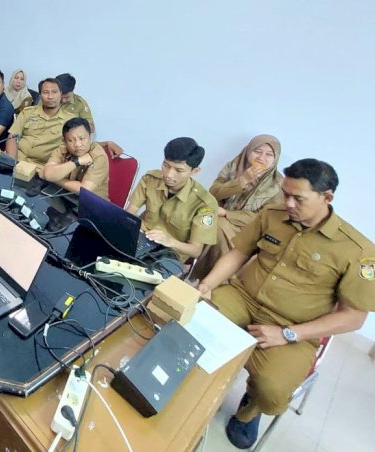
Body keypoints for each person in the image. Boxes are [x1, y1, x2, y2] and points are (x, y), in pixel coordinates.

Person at [197, 159, 375, 449]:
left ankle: (249, 409)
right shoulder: (273, 215)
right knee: (194, 321)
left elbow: (353, 317)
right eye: (285, 194)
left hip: (295, 328)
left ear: (326, 197)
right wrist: (206, 285)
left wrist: (288, 334)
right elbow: (238, 253)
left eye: (298, 198)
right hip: (243, 298)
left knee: (272, 389)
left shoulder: (358, 251)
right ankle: (191, 386)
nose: (289, 203)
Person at [191, 135, 284, 280]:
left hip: (246, 227)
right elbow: (214, 192)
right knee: (201, 217)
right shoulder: (234, 166)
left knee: (217, 227)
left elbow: (265, 219)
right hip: (216, 213)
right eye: (257, 151)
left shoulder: (277, 185)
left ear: (275, 158)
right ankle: (185, 262)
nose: (261, 157)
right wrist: (242, 181)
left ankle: (207, 278)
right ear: (249, 151)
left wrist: (227, 214)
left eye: (269, 154)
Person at [126, 137, 218, 261]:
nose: (169, 174)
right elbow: (129, 212)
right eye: (166, 165)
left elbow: (195, 250)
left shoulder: (205, 204)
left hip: (169, 255)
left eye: (179, 170)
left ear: (194, 171)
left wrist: (170, 241)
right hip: (140, 239)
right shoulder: (150, 179)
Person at [42, 117, 109, 199]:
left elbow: (83, 190)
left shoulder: (99, 157)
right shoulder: (63, 148)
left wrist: (55, 178)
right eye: (71, 140)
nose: (77, 144)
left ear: (90, 137)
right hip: (64, 196)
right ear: (64, 141)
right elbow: (48, 174)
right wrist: (76, 162)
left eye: (82, 138)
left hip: (91, 204)